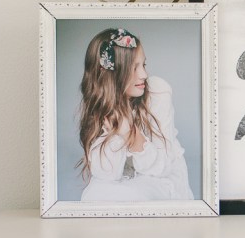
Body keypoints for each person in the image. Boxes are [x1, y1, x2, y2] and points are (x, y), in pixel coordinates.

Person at [77, 27, 194, 201]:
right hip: (125, 180)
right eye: (133, 68)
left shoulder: (157, 91)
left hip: (161, 177)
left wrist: (130, 134)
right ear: (112, 74)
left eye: (143, 65)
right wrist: (117, 125)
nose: (144, 75)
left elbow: (162, 167)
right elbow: (107, 174)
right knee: (93, 195)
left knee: (129, 196)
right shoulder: (102, 106)